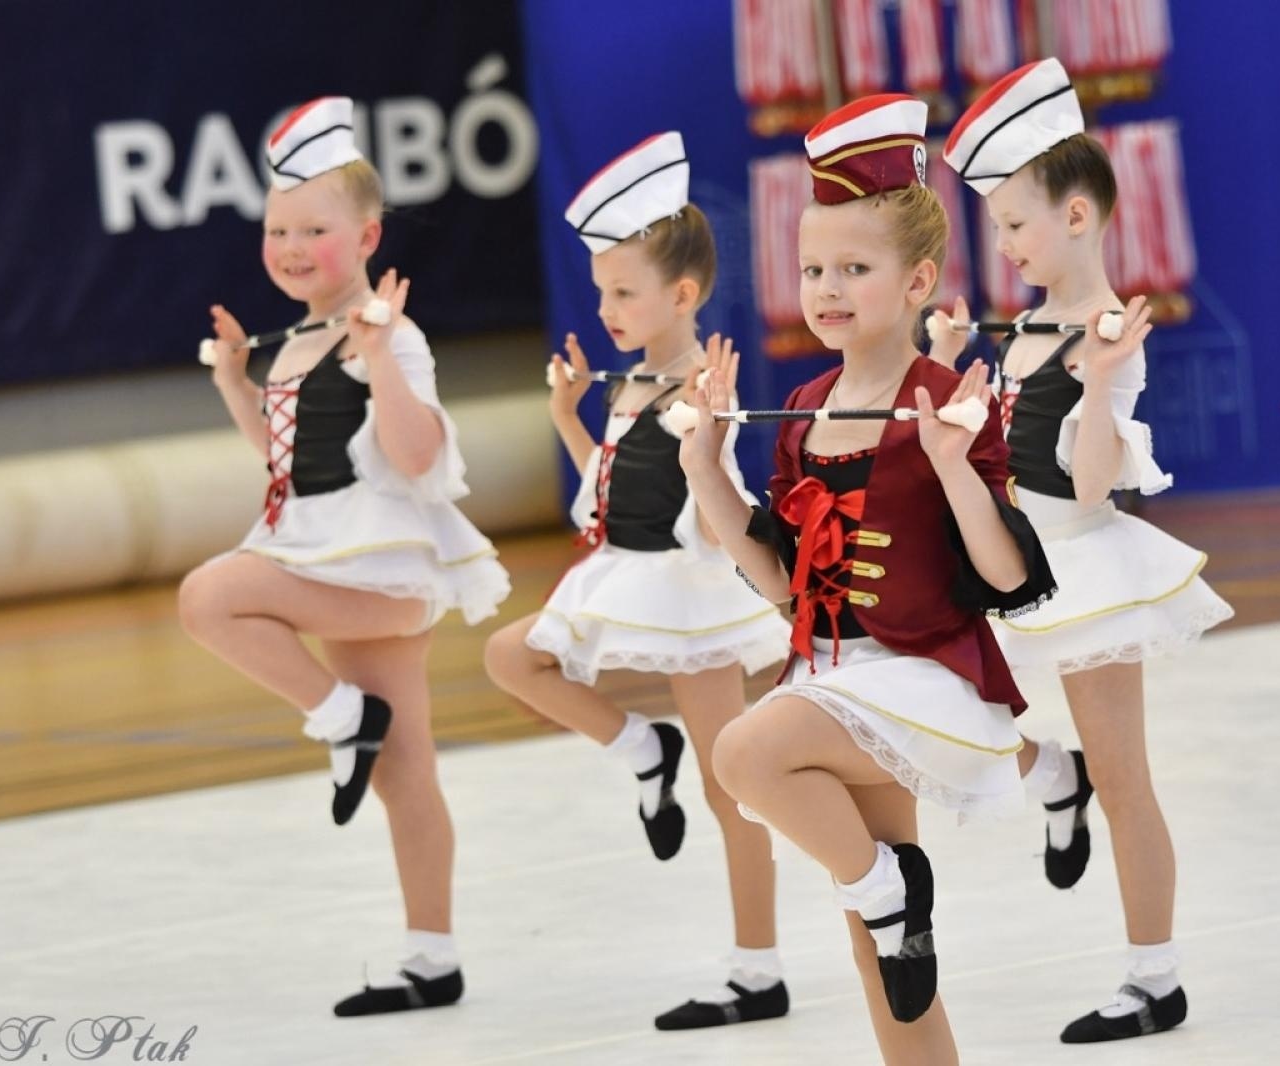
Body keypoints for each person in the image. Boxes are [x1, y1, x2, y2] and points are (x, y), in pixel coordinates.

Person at [678, 94, 1055, 1066]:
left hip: (920, 674)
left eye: (854, 268)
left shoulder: (948, 398)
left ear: (918, 279)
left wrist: (952, 466)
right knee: (881, 956)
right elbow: (782, 586)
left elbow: (1008, 575)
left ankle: (888, 890)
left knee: (742, 754)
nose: (828, 289)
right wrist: (704, 470)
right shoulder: (802, 408)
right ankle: (889, 905)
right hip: (831, 671)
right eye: (813, 269)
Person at [179, 96, 510, 1016]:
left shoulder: (389, 333)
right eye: (277, 230)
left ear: (367, 236)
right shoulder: (295, 341)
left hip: (377, 571)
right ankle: (432, 959)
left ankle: (340, 716)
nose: (290, 247)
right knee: (406, 774)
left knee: (209, 598)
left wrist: (382, 360)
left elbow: (419, 456)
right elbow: (290, 467)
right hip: (329, 557)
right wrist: (237, 386)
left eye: (313, 230)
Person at [937, 57, 1233, 1043]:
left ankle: (1154, 979)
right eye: (997, 227)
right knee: (944, 694)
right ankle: (1048, 776)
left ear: (1074, 215)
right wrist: (948, 368)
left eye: (1013, 223)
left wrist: (1102, 382)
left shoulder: (1106, 331)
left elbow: (1096, 482)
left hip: (1087, 570)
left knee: (1125, 779)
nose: (1003, 245)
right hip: (1012, 562)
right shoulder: (1024, 326)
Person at [482, 132, 793, 1030]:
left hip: (689, 594)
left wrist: (710, 433)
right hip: (622, 574)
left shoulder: (700, 387)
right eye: (601, 292)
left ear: (682, 295)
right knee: (511, 656)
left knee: (730, 786)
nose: (605, 309)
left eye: (623, 293)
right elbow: (607, 499)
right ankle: (639, 748)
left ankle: (757, 970)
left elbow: (714, 508)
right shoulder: (628, 386)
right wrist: (568, 419)